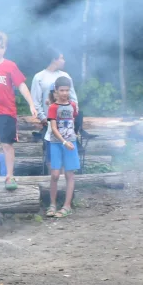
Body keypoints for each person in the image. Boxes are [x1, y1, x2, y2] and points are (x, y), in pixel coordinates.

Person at [0, 31, 41, 193]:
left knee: (7, 144)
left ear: (5, 49)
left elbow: (22, 86)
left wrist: (31, 103)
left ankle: (9, 176)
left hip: (8, 112)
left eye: (1, 47)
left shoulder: (10, 66)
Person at [45, 77, 81, 218]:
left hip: (71, 143)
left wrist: (71, 138)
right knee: (55, 174)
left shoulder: (72, 105)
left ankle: (67, 206)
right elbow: (53, 128)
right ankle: (52, 204)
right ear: (56, 91)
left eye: (67, 90)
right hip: (56, 143)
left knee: (69, 174)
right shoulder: (53, 107)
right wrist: (64, 142)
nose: (65, 93)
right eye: (62, 90)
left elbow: (74, 119)